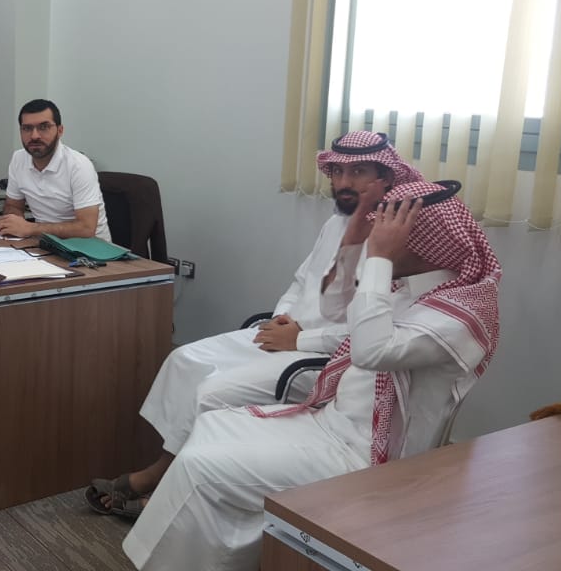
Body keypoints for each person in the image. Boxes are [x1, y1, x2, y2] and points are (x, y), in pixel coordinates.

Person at [122, 179, 502, 570]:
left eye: (387, 233)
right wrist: (356, 255)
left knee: (203, 465)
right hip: (331, 423)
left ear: (423, 244)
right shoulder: (407, 288)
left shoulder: (457, 317)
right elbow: (342, 320)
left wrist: (378, 259)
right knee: (212, 425)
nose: (375, 239)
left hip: (367, 456)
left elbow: (371, 350)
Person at [88, 131, 422, 514]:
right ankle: (170, 468)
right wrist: (282, 316)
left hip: (321, 359)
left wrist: (300, 339)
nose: (344, 182)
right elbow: (302, 280)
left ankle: (156, 485)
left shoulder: (393, 245)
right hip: (283, 333)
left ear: (385, 178)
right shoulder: (336, 224)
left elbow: (369, 330)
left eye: (358, 172)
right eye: (338, 172)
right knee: (182, 360)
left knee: (210, 393)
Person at [0, 99, 112, 241]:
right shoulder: (18, 159)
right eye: (27, 128)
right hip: (45, 242)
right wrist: (13, 224)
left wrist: (30, 228)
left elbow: (86, 228)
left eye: (43, 127)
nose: (34, 136)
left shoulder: (79, 165)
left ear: (60, 130)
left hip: (90, 248)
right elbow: (13, 205)